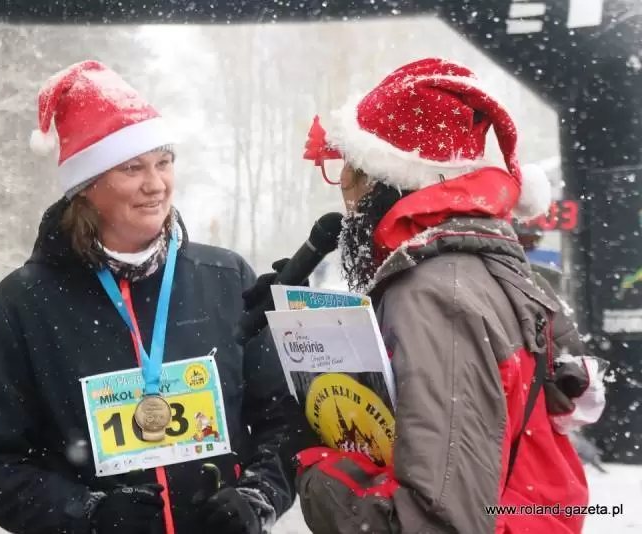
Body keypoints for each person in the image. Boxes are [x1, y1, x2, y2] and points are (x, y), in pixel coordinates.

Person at [245, 58, 606, 533]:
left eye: (350, 168)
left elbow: (436, 521)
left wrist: (315, 465)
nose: (343, 187)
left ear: (386, 180)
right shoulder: (482, 266)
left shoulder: (434, 296)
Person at [0, 60, 310, 534]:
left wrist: (257, 497)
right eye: (132, 168)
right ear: (86, 188)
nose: (156, 184)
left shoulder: (226, 279)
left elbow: (286, 422)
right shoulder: (23, 304)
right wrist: (87, 515)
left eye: (164, 162)